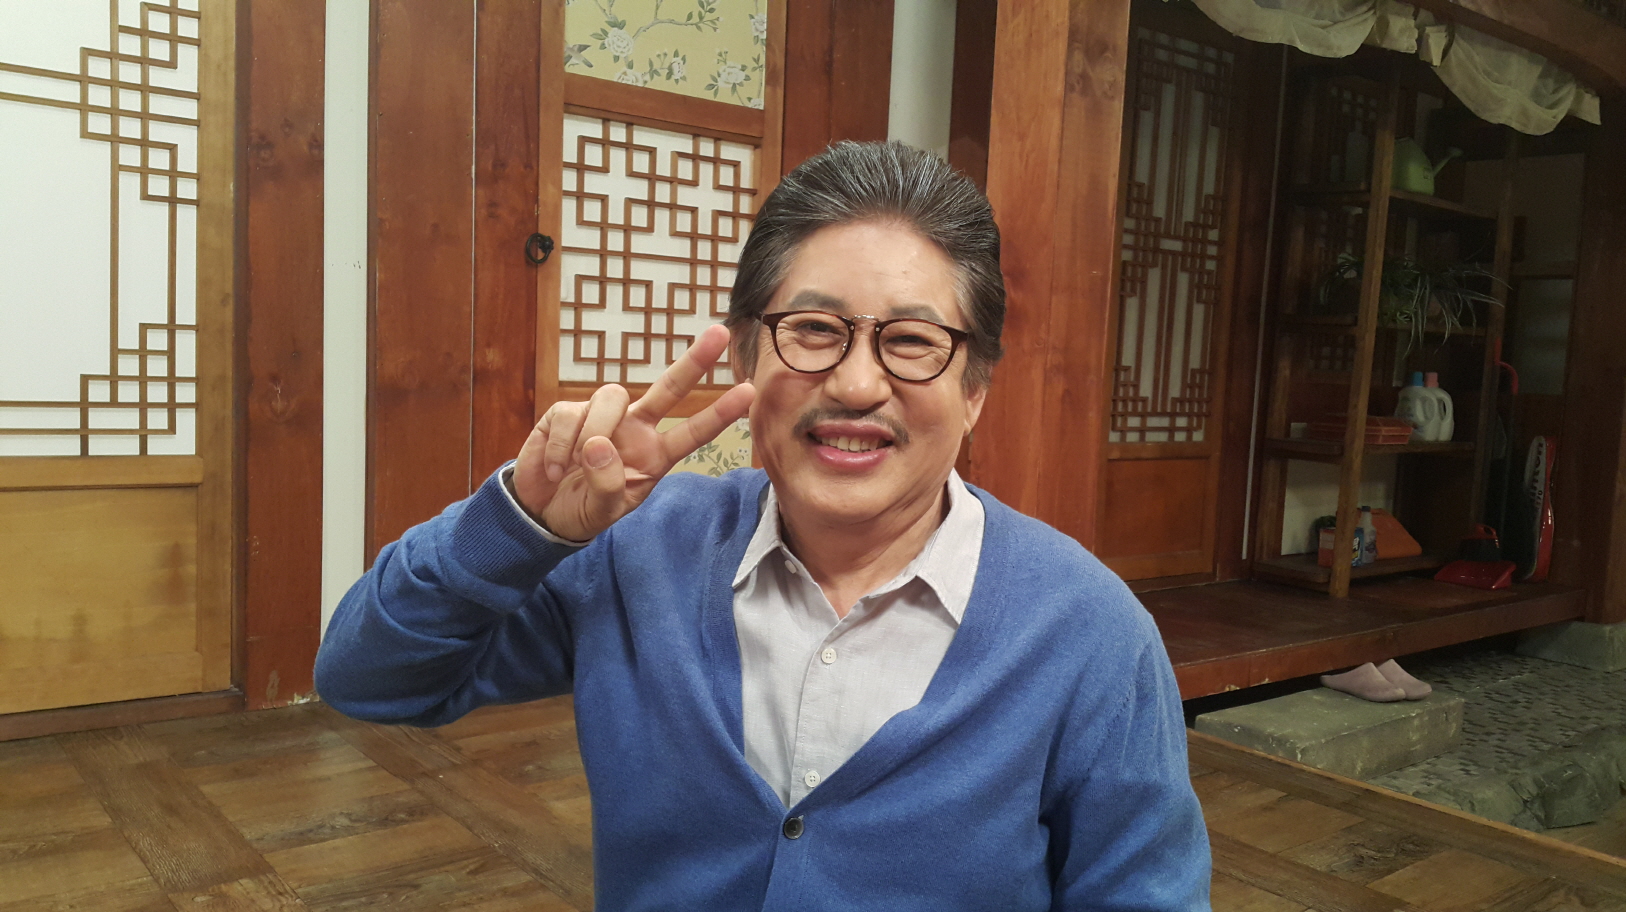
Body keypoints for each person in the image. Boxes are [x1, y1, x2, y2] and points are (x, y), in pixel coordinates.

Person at [316, 141, 1210, 910]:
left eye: (911, 341)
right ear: (746, 353)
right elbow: (368, 678)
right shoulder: (638, 551)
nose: (856, 384)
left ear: (974, 389)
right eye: (813, 329)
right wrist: (520, 525)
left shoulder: (1089, 631)